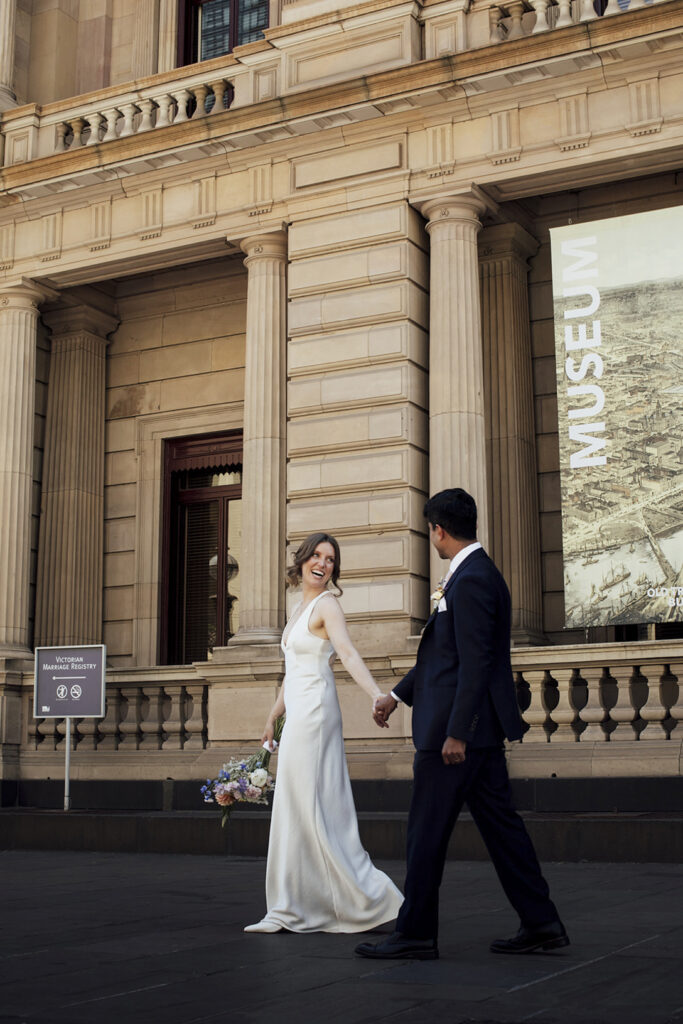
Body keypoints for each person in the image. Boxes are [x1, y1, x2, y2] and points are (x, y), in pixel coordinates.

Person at [355, 488, 568, 961]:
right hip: (476, 735)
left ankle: (414, 935)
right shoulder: (473, 574)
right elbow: (442, 659)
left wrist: (458, 732)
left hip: (453, 738)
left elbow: (476, 663)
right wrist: (395, 695)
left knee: (425, 834)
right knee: (503, 832)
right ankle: (542, 922)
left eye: (429, 530)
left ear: (438, 529)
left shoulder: (470, 579)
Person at [244, 531, 403, 934]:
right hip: (297, 712)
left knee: (310, 805)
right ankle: (289, 904)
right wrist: (272, 716)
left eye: (330, 559)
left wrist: (377, 695)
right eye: (317, 555)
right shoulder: (298, 609)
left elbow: (346, 653)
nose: (323, 563)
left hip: (316, 714)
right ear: (302, 560)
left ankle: (365, 898)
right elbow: (292, 673)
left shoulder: (328, 605)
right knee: (296, 806)